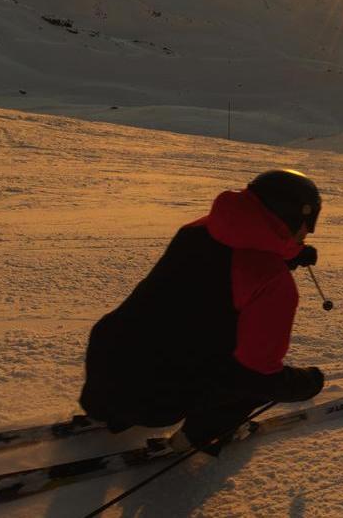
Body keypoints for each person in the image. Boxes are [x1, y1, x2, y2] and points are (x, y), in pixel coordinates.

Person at [79, 169, 326, 454]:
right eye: (309, 223)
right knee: (248, 379)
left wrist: (289, 254)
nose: (309, 233)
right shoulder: (274, 283)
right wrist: (304, 385)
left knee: (171, 329)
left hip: (105, 365)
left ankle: (110, 412)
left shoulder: (196, 230)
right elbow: (258, 373)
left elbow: (238, 253)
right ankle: (197, 437)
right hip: (157, 400)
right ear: (292, 217)